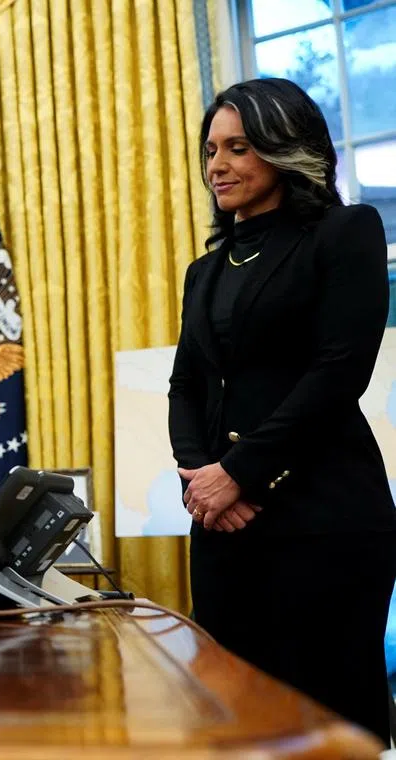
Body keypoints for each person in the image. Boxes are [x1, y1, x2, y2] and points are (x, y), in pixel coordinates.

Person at [168, 77, 396, 744]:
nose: (218, 164)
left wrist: (239, 472)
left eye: (238, 147)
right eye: (211, 149)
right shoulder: (204, 272)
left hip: (326, 522)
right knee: (232, 720)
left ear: (284, 148)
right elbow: (187, 385)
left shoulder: (345, 231)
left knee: (326, 724)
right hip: (223, 526)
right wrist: (202, 476)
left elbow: (338, 372)